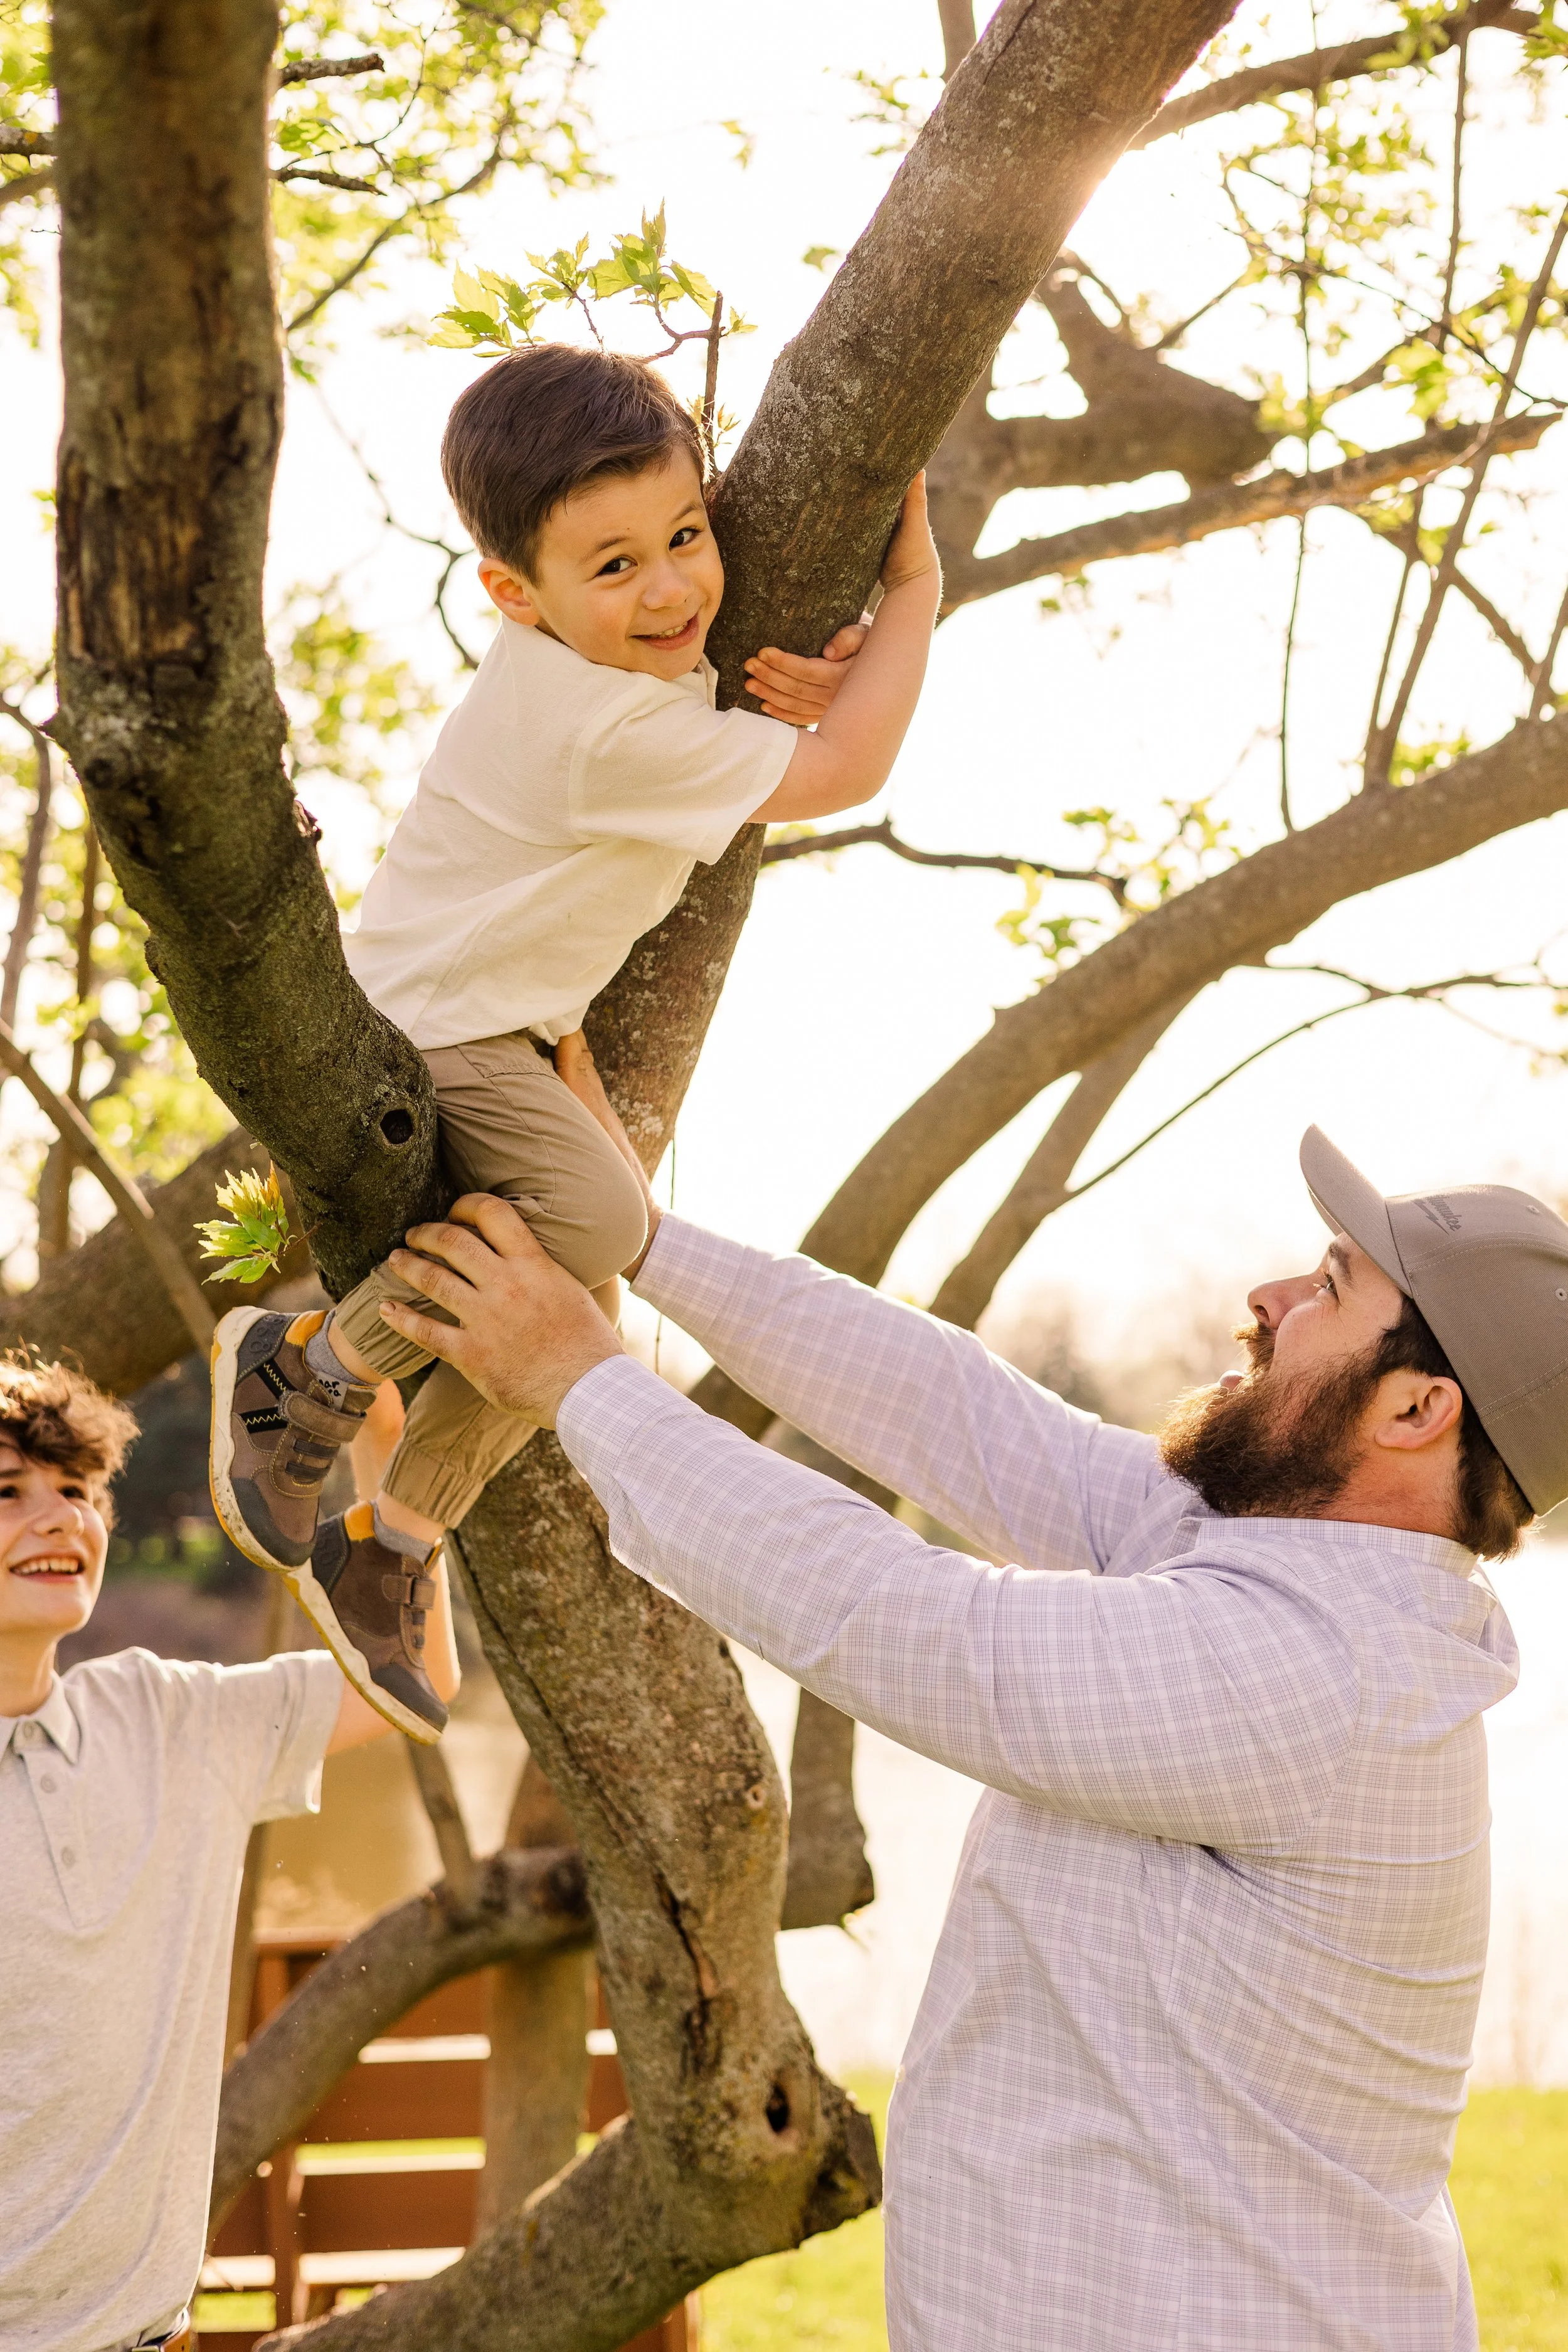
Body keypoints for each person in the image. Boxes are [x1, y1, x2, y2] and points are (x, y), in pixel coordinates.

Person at [361, 1128, 1568, 2352]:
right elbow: (960, 1414)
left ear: (1415, 1408)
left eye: (1325, 1289)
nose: (1263, 1300)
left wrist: (579, 1376)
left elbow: (894, 1619)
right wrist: (644, 1240)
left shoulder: (1311, 1673)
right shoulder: (1282, 1560)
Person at [208, 341, 941, 1743]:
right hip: (440, 1027)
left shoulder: (596, 664)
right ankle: (310, 1364)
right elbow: (844, 773)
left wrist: (812, 672)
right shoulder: (593, 722)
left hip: (497, 1018)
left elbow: (744, 709)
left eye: (685, 535)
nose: (671, 589)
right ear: (512, 593)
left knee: (574, 1323)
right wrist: (911, 595)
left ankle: (394, 1550)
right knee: (601, 1228)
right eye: (614, 567)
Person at [0, 1357, 460, 2352]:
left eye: (77, 1491)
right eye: (8, 1493)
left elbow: (411, 1671)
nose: (57, 1517)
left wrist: (393, 1447)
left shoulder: (169, 1719)